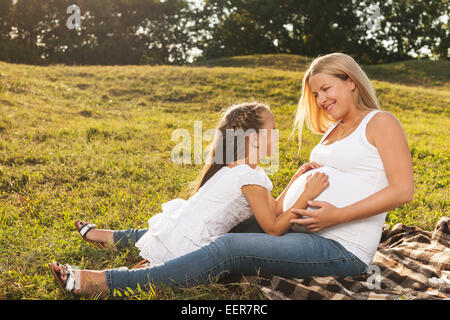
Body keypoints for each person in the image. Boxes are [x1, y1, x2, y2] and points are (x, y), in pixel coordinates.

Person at [49, 53, 415, 298]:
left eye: (326, 89)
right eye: (315, 94)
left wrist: (336, 215)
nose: (320, 100)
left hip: (339, 247)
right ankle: (122, 240)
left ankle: (107, 282)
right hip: (298, 227)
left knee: (229, 247)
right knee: (211, 220)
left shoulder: (380, 122)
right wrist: (298, 181)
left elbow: (403, 190)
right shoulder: (332, 131)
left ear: (350, 81)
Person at [50, 101, 329, 295]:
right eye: (273, 128)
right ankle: (92, 280)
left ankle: (105, 266)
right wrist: (307, 194)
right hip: (191, 249)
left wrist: (295, 179)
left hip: (177, 237)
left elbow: (274, 209)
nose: (277, 134)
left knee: (148, 276)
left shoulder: (237, 169)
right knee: (149, 281)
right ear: (254, 139)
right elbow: (273, 227)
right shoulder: (250, 178)